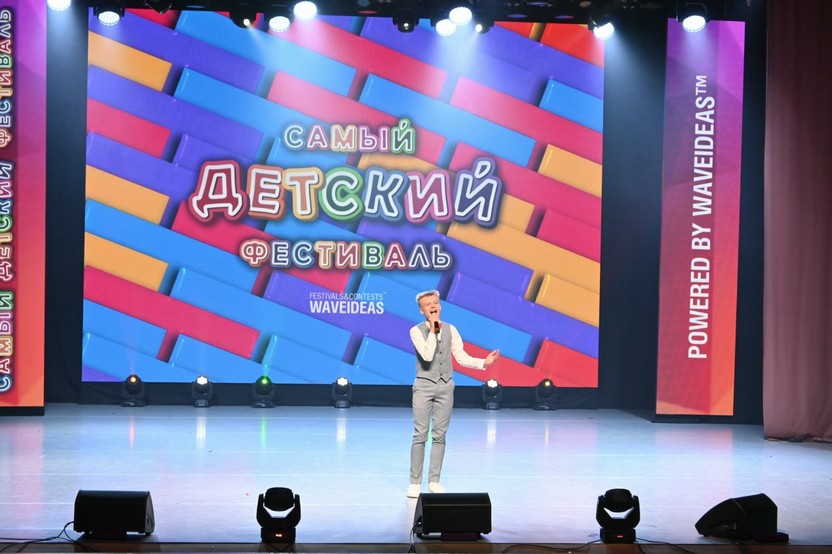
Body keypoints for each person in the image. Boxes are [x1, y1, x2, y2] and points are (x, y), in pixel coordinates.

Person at [407, 289, 500, 498]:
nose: (432, 306)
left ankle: (434, 481)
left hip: (445, 386)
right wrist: (434, 327)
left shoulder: (451, 329)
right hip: (423, 386)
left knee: (439, 435)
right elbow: (427, 356)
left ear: (439, 306)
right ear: (421, 311)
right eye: (427, 304)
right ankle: (414, 483)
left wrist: (484, 362)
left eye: (435, 303)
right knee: (420, 434)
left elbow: (461, 357)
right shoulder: (416, 331)